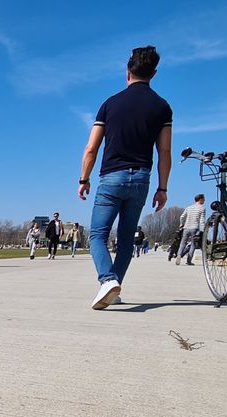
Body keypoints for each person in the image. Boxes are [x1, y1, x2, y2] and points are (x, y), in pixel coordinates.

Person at [78, 45, 172, 310]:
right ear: (153, 73)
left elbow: (91, 148)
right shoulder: (162, 107)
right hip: (141, 178)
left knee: (97, 235)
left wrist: (84, 178)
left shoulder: (110, 103)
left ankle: (107, 280)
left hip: (111, 178)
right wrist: (162, 187)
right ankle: (113, 288)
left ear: (127, 72)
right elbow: (164, 151)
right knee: (127, 239)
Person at [176, 193, 205, 265]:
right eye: (204, 199)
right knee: (193, 245)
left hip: (186, 227)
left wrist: (181, 224)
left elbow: (182, 217)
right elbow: (202, 221)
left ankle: (179, 255)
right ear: (200, 199)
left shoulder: (188, 207)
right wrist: (202, 230)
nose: (204, 200)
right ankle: (189, 261)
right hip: (195, 228)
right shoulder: (202, 208)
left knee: (182, 243)